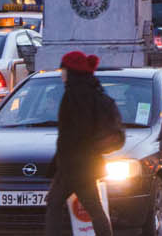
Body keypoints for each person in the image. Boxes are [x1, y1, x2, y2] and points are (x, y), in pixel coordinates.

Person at [45, 51, 123, 236]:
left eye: (63, 70)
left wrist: (62, 165)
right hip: (86, 164)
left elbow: (72, 135)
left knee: (54, 204)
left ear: (71, 71)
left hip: (74, 165)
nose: (61, 74)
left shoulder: (74, 95)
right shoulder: (93, 90)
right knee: (94, 209)